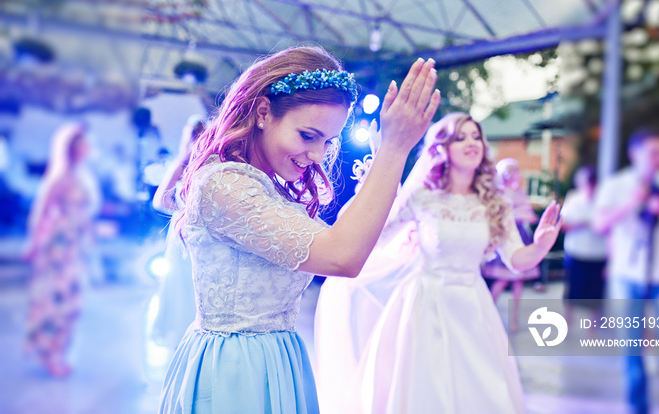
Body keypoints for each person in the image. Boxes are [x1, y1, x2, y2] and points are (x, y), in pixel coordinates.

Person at [157, 46, 441, 414]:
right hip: (235, 370)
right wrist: (396, 147)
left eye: (327, 141)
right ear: (263, 113)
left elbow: (347, 243)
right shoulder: (224, 184)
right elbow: (342, 256)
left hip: (277, 357)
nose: (319, 155)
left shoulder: (265, 187)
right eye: (308, 135)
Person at [315, 112, 562, 414]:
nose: (471, 143)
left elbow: (517, 261)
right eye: (460, 137)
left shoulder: (494, 201)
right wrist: (370, 194)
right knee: (424, 390)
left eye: (475, 137)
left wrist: (540, 245)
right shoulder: (422, 196)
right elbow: (375, 238)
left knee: (482, 389)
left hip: (473, 307)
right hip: (424, 304)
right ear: (442, 148)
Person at [593, 127, 659, 414]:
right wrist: (632, 203)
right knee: (631, 356)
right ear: (634, 154)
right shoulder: (615, 185)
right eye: (653, 152)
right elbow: (600, 225)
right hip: (626, 277)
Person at [23, 123, 99, 377]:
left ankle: (57, 352)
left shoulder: (83, 176)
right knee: (57, 302)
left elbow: (85, 214)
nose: (88, 146)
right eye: (83, 143)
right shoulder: (60, 177)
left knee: (72, 302)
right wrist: (34, 244)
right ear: (73, 148)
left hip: (76, 245)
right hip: (58, 247)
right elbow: (41, 211)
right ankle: (51, 354)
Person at [149, 115, 206, 350]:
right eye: (195, 136)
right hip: (183, 228)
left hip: (202, 232)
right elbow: (159, 200)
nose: (199, 140)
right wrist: (187, 209)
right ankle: (181, 332)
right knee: (181, 281)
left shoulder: (210, 163)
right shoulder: (182, 163)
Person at [481, 157, 542, 332]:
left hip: (521, 235)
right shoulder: (500, 193)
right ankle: (488, 313)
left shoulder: (520, 192)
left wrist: (529, 217)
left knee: (518, 281)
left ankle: (514, 318)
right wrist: (519, 214)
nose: (518, 175)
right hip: (505, 235)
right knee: (502, 278)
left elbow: (528, 212)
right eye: (515, 172)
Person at [560, 165, 607, 320]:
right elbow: (563, 225)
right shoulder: (573, 198)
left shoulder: (604, 199)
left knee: (596, 294)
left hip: (598, 254)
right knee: (572, 291)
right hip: (576, 252)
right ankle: (568, 322)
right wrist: (584, 224)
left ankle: (592, 329)